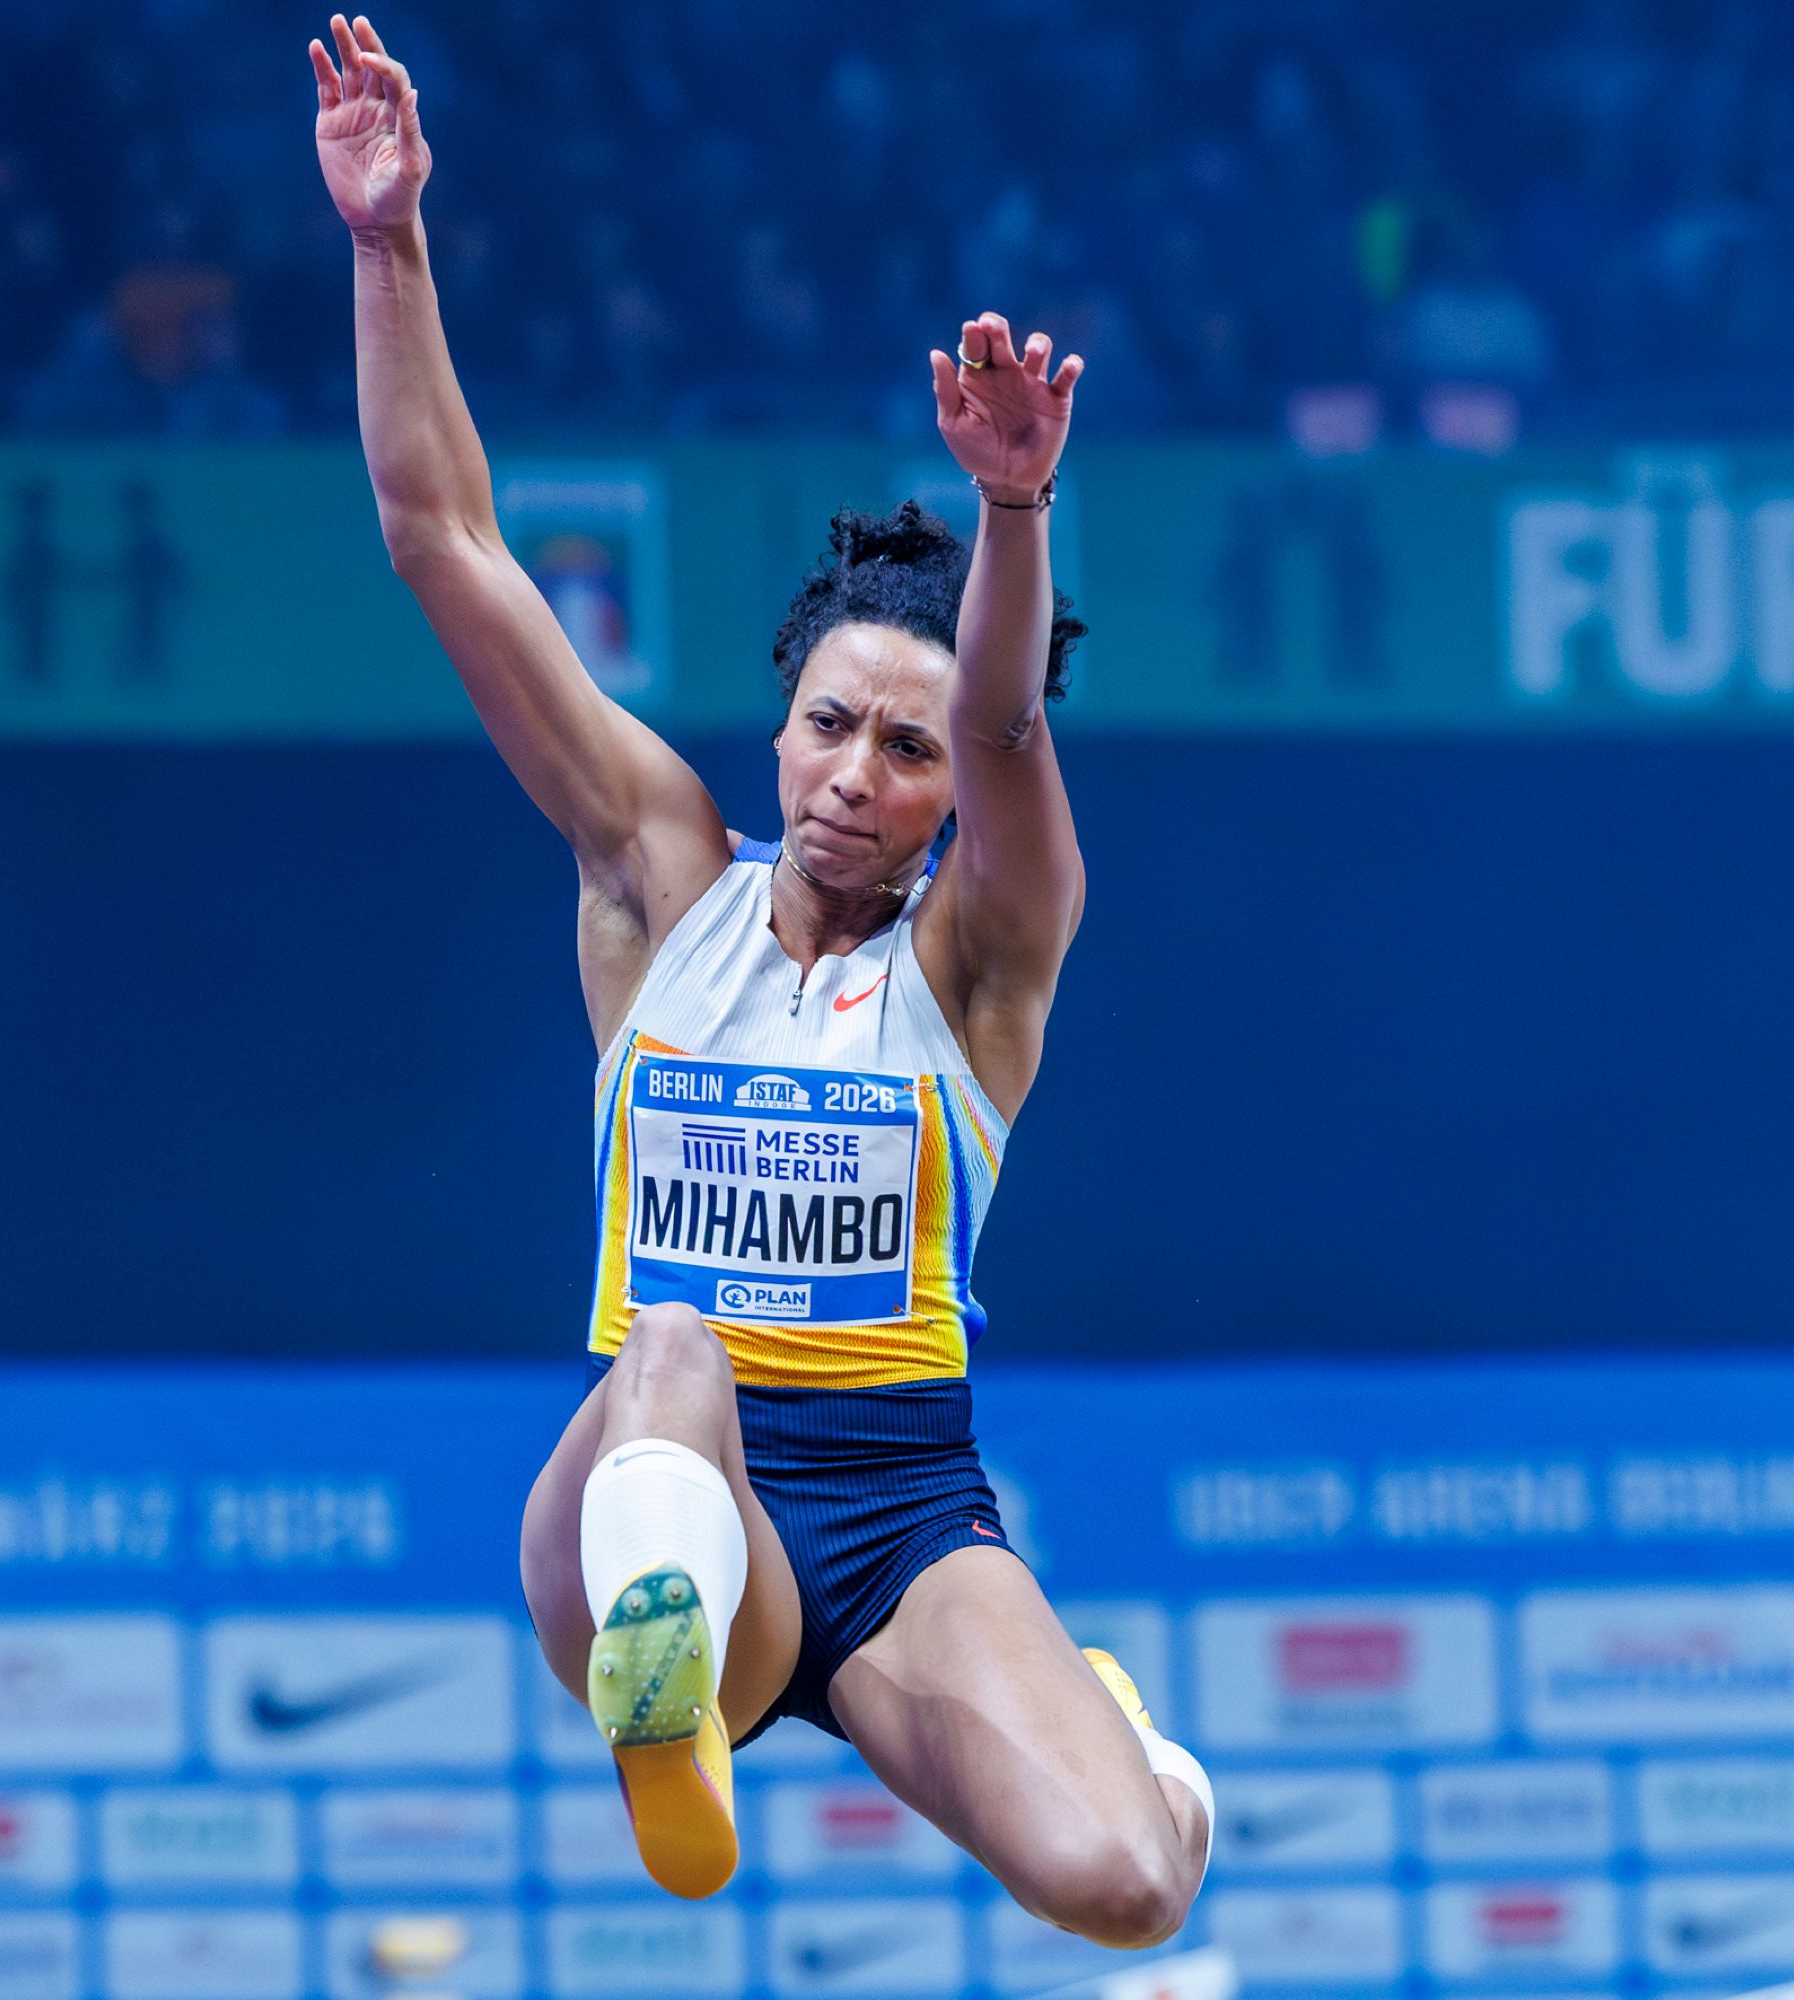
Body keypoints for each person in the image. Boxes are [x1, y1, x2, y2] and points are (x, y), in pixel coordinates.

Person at [307, 15, 1212, 1946]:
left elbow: (1007, 732)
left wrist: (1018, 509)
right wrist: (390, 245)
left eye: (907, 757)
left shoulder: (981, 964)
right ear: (779, 729)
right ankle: (669, 1696)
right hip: (651, 1482)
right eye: (828, 731)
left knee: (1128, 1889)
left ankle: (1137, 1753)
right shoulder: (660, 882)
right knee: (682, 1346)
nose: (858, 781)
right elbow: (443, 540)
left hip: (893, 1515)